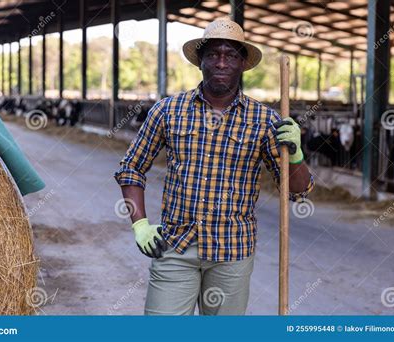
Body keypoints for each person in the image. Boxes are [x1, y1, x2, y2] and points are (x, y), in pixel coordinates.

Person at [114, 17, 314, 315]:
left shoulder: (265, 121)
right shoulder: (167, 111)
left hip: (231, 253)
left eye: (231, 55)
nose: (221, 63)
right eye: (213, 54)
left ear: (242, 64)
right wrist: (140, 225)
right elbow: (131, 167)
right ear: (200, 62)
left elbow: (297, 191)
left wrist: (296, 156)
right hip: (175, 247)